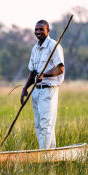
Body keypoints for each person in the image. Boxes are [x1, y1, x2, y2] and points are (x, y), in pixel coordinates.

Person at [20, 20, 64, 149]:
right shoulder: (35, 48)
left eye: (41, 29)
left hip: (48, 90)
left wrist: (44, 75)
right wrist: (24, 88)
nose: (38, 32)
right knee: (39, 125)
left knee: (46, 125)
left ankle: (43, 157)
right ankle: (50, 156)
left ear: (48, 31)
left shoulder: (54, 46)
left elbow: (60, 69)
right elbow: (32, 72)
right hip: (36, 90)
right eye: (36, 29)